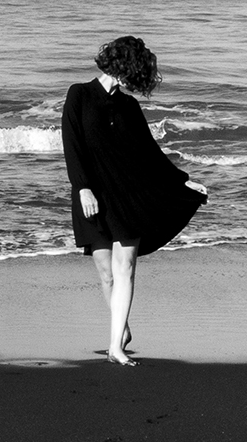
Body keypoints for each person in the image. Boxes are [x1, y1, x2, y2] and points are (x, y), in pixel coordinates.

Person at [61, 35, 207, 366]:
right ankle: (121, 329)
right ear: (123, 66)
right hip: (92, 195)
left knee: (124, 266)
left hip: (128, 196)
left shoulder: (129, 106)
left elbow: (150, 155)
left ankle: (115, 348)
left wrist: (185, 181)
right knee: (105, 271)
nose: (136, 79)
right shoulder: (79, 95)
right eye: (135, 70)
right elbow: (72, 145)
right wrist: (82, 188)